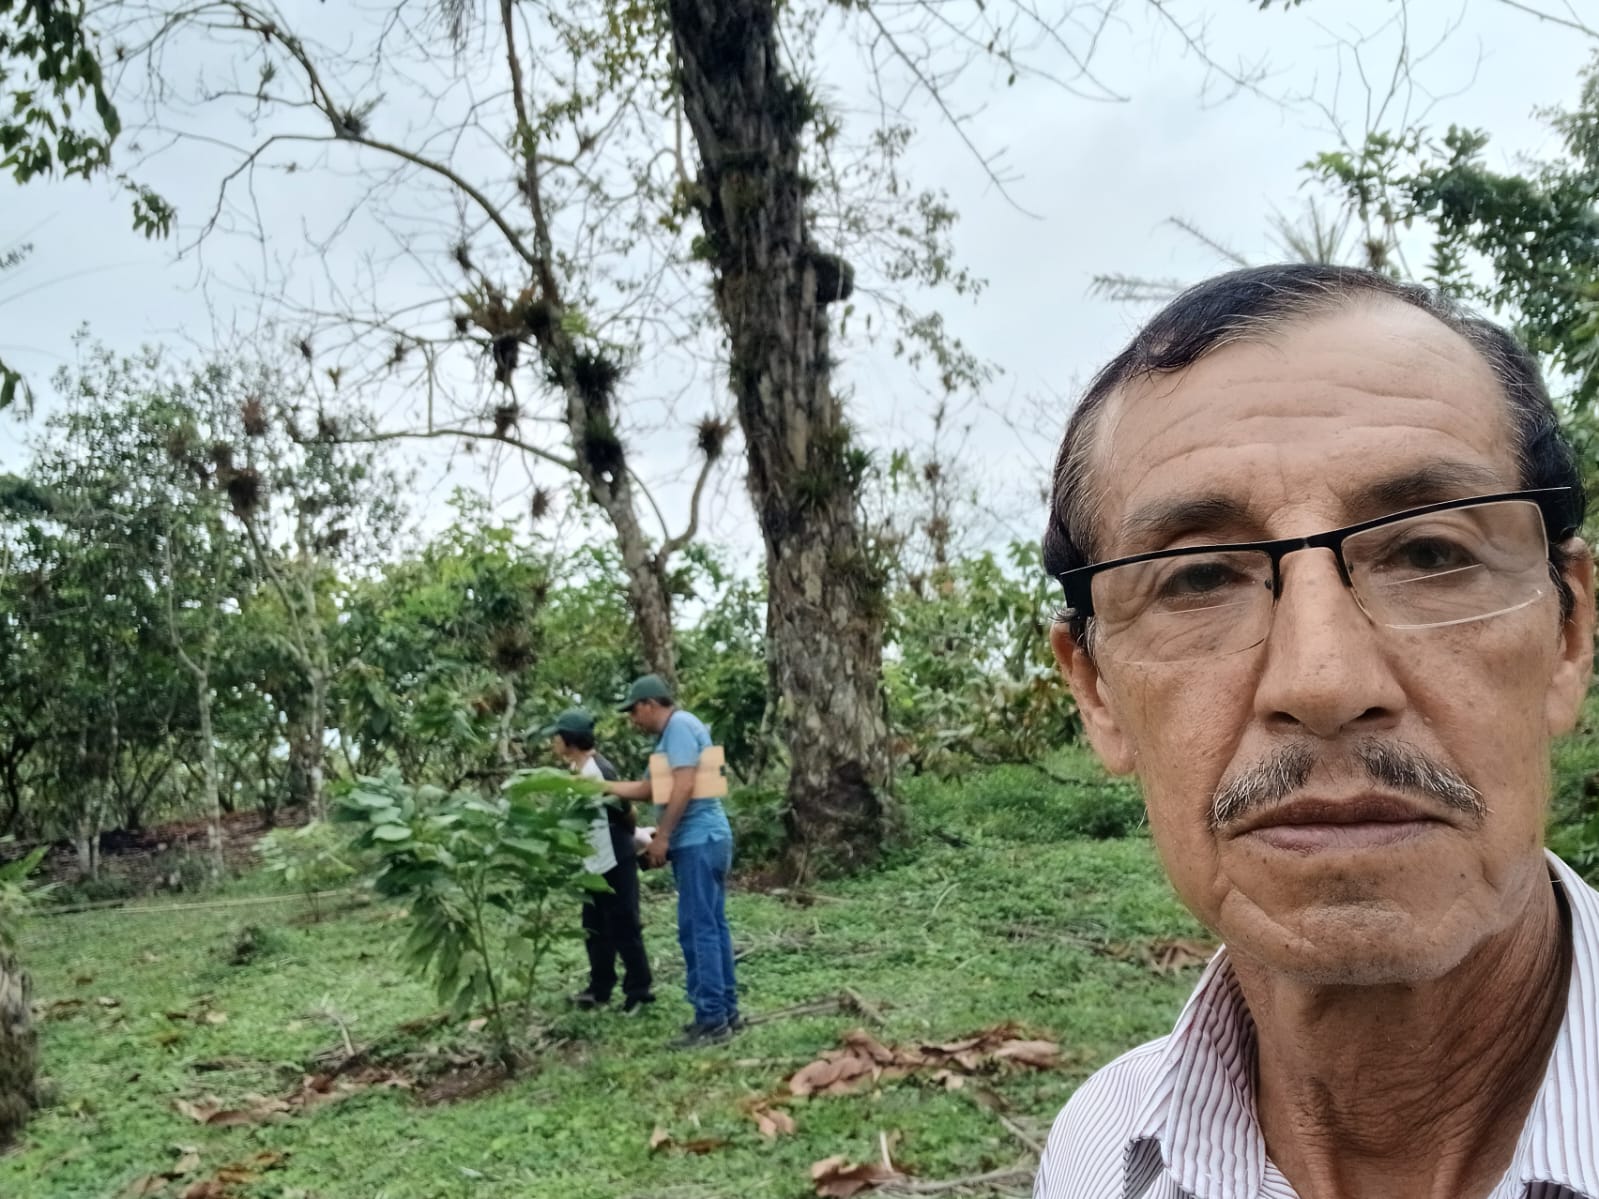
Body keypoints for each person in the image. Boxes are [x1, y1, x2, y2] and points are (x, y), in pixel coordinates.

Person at [1034, 264, 1599, 1199]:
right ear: (1095, 691)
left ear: (1568, 632)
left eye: (1429, 552)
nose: (1323, 681)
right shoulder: (1097, 1151)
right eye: (1198, 577)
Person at [603, 674, 740, 1048]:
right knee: (712, 926)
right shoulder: (672, 735)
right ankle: (726, 1012)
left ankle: (711, 1020)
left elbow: (684, 784)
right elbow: (649, 789)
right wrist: (600, 787)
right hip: (705, 839)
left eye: (634, 711)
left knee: (698, 930)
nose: (633, 720)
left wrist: (662, 837)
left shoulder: (678, 727)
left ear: (649, 704)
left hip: (699, 839)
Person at [538, 707, 654, 1014]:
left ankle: (639, 991)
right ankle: (599, 988)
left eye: (557, 737)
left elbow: (626, 811)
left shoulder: (599, 772)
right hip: (593, 861)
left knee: (624, 926)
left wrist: (633, 839)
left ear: (569, 740)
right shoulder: (578, 769)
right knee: (594, 928)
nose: (553, 742)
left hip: (613, 857)